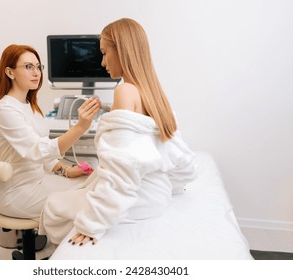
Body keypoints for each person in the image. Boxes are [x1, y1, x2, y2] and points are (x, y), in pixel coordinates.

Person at [39, 18, 197, 246]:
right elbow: (175, 151)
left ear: (122, 50)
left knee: (54, 204)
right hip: (157, 194)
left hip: (135, 200)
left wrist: (94, 222)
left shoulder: (125, 91)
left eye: (104, 53)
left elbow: (121, 167)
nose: (102, 62)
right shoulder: (153, 94)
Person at [0, 44, 101, 219]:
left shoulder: (31, 107)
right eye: (28, 67)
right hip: (16, 194)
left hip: (38, 182)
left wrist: (65, 169)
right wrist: (80, 127)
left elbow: (39, 156)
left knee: (92, 182)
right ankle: (76, 243)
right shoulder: (5, 110)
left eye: (38, 67)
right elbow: (38, 151)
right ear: (10, 72)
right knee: (89, 197)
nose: (37, 73)